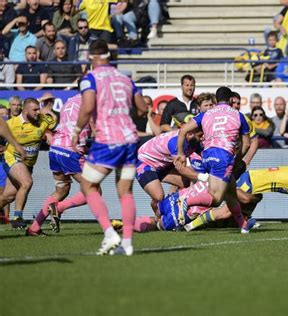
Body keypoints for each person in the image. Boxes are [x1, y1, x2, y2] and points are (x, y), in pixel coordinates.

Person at [72, 39, 148, 256]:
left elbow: (87, 107)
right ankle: (127, 243)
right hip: (130, 140)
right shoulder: (125, 77)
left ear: (91, 57)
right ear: (108, 55)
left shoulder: (90, 78)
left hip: (107, 141)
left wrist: (76, 132)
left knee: (88, 186)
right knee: (125, 192)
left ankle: (109, 232)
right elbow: (142, 108)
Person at [174, 86, 256, 234]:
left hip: (206, 155)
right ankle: (185, 201)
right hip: (223, 156)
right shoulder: (239, 115)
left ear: (216, 100)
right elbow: (247, 144)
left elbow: (183, 130)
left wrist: (180, 152)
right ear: (231, 99)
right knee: (217, 199)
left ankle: (243, 225)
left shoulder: (205, 114)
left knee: (230, 193)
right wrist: (236, 160)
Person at [185, 162, 288, 232]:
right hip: (251, 182)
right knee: (225, 211)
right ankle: (189, 224)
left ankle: (243, 223)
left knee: (255, 200)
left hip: (254, 182)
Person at [26, 94, 91, 236]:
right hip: (71, 151)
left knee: (61, 190)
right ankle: (58, 207)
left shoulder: (70, 100)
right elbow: (96, 128)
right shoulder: (91, 101)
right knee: (93, 191)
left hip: (56, 148)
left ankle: (34, 227)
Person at [0, 98, 55, 229]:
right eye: (34, 109)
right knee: (26, 182)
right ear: (25, 110)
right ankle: (17, 217)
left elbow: (56, 125)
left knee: (8, 196)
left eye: (39, 109)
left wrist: (49, 132)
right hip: (12, 157)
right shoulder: (12, 124)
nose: (38, 112)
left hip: (28, 164)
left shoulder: (44, 119)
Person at [135, 130, 204, 213]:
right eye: (200, 135)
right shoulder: (175, 143)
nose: (203, 138)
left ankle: (174, 209)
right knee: (159, 197)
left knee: (186, 184)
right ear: (189, 134)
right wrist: (205, 177)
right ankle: (158, 215)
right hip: (145, 163)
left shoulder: (194, 141)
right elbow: (181, 169)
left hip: (163, 164)